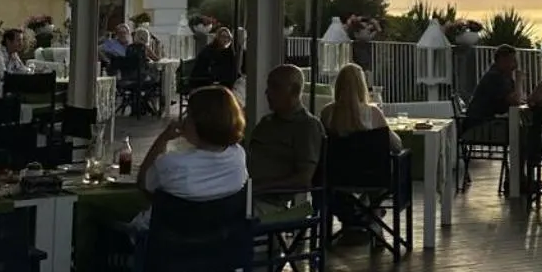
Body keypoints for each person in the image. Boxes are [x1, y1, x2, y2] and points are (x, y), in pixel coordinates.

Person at [137, 86, 248, 203]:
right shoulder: (238, 156)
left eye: (189, 115)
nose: (183, 120)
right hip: (225, 215)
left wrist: (163, 138)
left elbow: (143, 183)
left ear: (200, 121)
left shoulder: (172, 165)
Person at [246, 64, 323, 192]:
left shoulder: (307, 126)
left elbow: (303, 178)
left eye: (275, 87)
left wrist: (259, 187)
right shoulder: (266, 122)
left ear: (295, 91)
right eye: (268, 86)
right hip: (244, 188)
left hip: (270, 197)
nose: (267, 92)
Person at [321, 63, 400, 145]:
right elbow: (396, 144)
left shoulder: (327, 113)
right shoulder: (373, 113)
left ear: (338, 85)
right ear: (362, 86)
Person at [461, 46, 524, 134]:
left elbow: (516, 98)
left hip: (487, 122)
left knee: (519, 128)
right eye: (513, 60)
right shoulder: (494, 77)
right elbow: (515, 101)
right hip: (479, 126)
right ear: (502, 60)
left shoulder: (504, 77)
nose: (516, 65)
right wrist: (519, 80)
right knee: (519, 131)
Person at [189, 24, 239, 91]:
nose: (225, 40)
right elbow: (202, 69)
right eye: (223, 37)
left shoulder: (229, 52)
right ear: (218, 38)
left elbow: (232, 70)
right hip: (205, 82)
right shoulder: (209, 50)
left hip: (224, 84)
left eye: (228, 37)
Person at [0, 28, 29, 97]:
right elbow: (2, 75)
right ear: (8, 41)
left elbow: (23, 70)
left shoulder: (13, 53)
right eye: (18, 40)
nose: (21, 44)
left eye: (22, 40)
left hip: (6, 91)